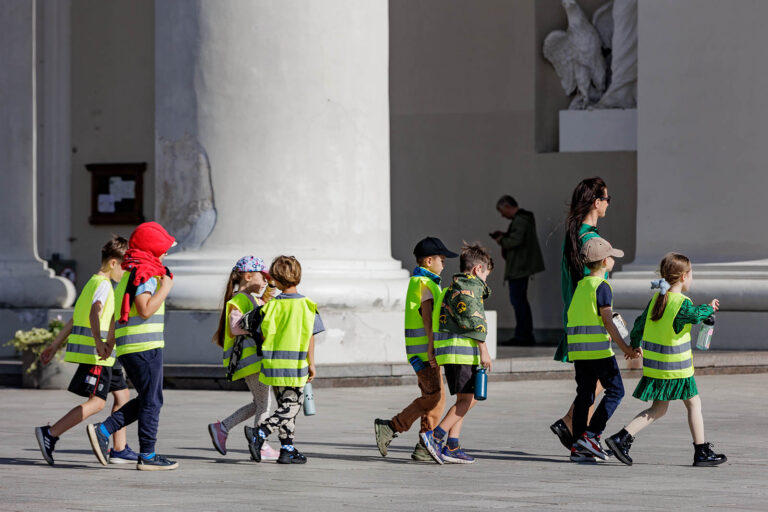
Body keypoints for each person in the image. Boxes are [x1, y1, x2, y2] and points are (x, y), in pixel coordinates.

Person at [605, 253, 727, 467]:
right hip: (677, 369)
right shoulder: (681, 302)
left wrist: (634, 346)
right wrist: (710, 307)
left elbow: (639, 324)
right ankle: (701, 451)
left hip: (656, 368)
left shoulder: (657, 299)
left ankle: (621, 438)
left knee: (659, 409)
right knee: (694, 403)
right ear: (683, 277)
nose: (692, 278)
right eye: (691, 274)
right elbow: (695, 315)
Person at [34, 236, 135, 466]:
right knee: (98, 402)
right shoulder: (103, 285)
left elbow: (73, 319)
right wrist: (100, 344)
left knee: (123, 395)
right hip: (99, 354)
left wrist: (54, 345)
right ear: (112, 263)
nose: (125, 271)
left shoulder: (91, 282)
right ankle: (50, 434)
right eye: (124, 266)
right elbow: (94, 312)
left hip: (104, 354)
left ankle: (119, 449)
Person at [86, 221, 179, 470]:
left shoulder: (130, 272)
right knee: (152, 401)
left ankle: (105, 430)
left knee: (150, 399)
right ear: (152, 248)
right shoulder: (144, 272)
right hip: (145, 347)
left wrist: (108, 343)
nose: (167, 252)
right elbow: (145, 309)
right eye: (164, 247)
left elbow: (120, 315)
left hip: (131, 348)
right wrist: (166, 288)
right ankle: (146, 455)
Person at [374, 237, 457, 462]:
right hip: (424, 353)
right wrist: (432, 350)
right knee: (433, 398)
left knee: (435, 398)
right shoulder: (423, 283)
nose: (444, 263)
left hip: (423, 351)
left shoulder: (425, 281)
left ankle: (424, 446)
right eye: (441, 259)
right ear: (429, 261)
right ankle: (391, 426)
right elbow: (428, 320)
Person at [243, 255, 325, 464]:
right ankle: (260, 433)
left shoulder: (270, 307)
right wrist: (312, 363)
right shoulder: (307, 306)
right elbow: (309, 338)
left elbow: (260, 332)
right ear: (299, 277)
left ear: (275, 281)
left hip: (273, 365)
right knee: (291, 407)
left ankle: (287, 449)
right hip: (295, 365)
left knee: (285, 406)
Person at [550, 177, 612, 450]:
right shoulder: (593, 242)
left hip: (575, 319)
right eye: (607, 199)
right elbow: (595, 288)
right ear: (597, 203)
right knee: (602, 384)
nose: (608, 204)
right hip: (593, 322)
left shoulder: (573, 237)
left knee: (589, 385)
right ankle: (577, 431)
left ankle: (573, 430)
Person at [420, 242, 493, 464]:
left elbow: (434, 321)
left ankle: (452, 445)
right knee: (468, 400)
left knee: (463, 399)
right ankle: (435, 436)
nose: (485, 282)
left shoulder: (449, 288)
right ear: (477, 269)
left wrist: (432, 348)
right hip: (463, 353)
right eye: (486, 276)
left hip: (449, 353)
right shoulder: (471, 288)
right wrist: (484, 350)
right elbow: (475, 321)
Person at [566, 238, 639, 462]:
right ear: (606, 261)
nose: (613, 260)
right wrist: (625, 346)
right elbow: (607, 321)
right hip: (599, 351)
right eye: (612, 257)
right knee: (616, 391)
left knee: (584, 396)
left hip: (580, 352)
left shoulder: (581, 286)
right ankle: (592, 435)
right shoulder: (602, 287)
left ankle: (578, 446)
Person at [207, 256, 279, 461]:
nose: (265, 280)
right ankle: (262, 445)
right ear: (248, 276)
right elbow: (234, 327)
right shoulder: (239, 299)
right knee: (264, 404)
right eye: (262, 276)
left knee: (259, 403)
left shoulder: (253, 298)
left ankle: (222, 427)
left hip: (254, 360)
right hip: (250, 360)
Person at [491, 195, 545, 345]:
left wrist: (501, 240)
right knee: (520, 302)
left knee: (518, 302)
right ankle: (523, 334)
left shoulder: (520, 220)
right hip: (521, 267)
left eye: (501, 211)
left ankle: (523, 336)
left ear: (508, 206)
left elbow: (515, 241)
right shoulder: (523, 219)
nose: (502, 215)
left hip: (519, 268)